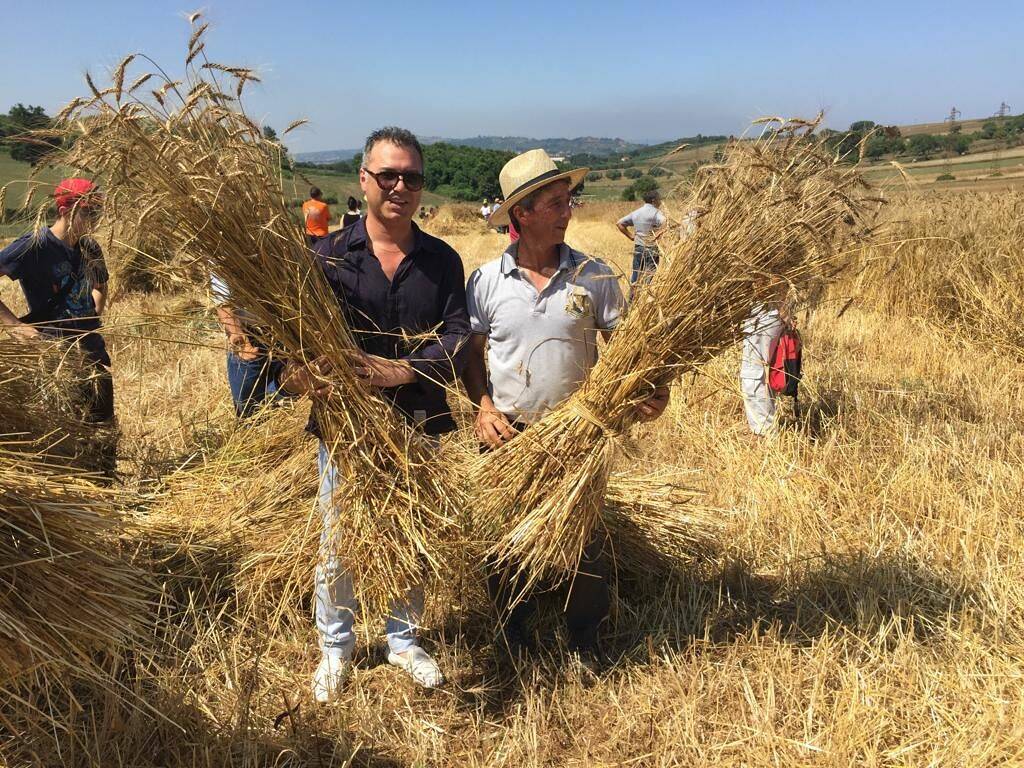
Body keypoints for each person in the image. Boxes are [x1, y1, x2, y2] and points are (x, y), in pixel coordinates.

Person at [279, 127, 470, 701]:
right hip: (344, 427)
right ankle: (336, 649)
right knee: (338, 541)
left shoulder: (443, 260)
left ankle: (404, 641)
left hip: (417, 422)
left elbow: (460, 337)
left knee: (409, 533)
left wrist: (405, 370)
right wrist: (299, 373)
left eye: (411, 176)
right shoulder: (324, 257)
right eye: (387, 174)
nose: (400, 186)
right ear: (363, 181)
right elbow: (290, 343)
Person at [465, 149, 670, 666]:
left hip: (579, 432)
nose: (568, 211)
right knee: (506, 539)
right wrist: (484, 407)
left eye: (568, 200)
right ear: (523, 213)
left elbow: (627, 355)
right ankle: (513, 633)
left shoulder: (595, 276)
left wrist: (647, 391)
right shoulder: (487, 282)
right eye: (555, 203)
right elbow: (470, 355)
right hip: (508, 434)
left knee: (587, 539)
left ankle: (585, 639)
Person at [0, 178, 116, 472]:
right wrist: (15, 326)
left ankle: (106, 488)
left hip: (92, 352)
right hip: (56, 359)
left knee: (103, 430)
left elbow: (100, 285)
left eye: (98, 212)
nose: (95, 219)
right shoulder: (34, 247)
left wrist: (92, 311)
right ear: (66, 210)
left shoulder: (90, 247)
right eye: (89, 211)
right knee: (67, 434)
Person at [210, 274, 284, 418]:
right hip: (247, 334)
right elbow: (222, 297)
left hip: (282, 331)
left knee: (282, 394)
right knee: (248, 408)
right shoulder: (221, 254)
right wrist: (238, 337)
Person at [740, 290, 787, 436]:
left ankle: (765, 433)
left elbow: (769, 282)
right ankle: (764, 430)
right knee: (759, 372)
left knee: (754, 374)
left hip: (764, 313)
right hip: (766, 311)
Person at [616, 189, 666, 284]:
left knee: (635, 278)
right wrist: (660, 232)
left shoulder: (636, 212)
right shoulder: (656, 213)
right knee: (648, 279)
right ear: (653, 200)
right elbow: (665, 222)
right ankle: (644, 297)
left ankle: (632, 298)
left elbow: (619, 223)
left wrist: (631, 236)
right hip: (651, 249)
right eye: (659, 199)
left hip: (638, 248)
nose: (660, 201)